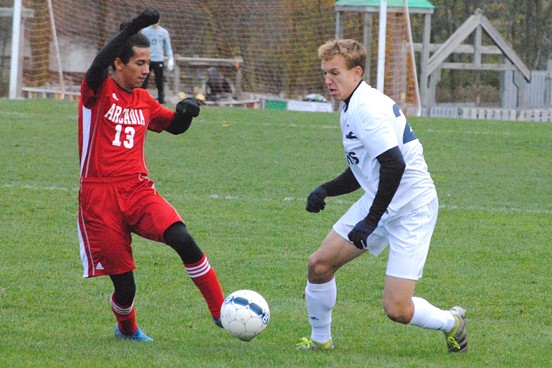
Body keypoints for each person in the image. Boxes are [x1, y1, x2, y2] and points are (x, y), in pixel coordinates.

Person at [296, 39, 468, 353]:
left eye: (334, 72)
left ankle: (452, 322)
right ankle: (321, 341)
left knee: (397, 309)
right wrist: (325, 189)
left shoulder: (366, 109)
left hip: (412, 207)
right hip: (384, 197)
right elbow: (364, 169)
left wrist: (371, 220)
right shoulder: (352, 103)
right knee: (319, 265)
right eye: (325, 73)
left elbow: (393, 164)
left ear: (356, 71)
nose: (328, 80)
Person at [77, 8, 224, 342]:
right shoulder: (97, 92)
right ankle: (127, 329)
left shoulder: (143, 101)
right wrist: (133, 27)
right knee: (126, 287)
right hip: (100, 198)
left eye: (148, 63)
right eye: (139, 63)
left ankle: (220, 311)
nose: (147, 70)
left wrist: (187, 114)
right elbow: (96, 64)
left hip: (138, 190)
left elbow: (173, 127)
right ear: (119, 62)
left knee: (182, 238)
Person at [141, 18, 174, 104]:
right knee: (143, 81)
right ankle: (140, 99)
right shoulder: (144, 31)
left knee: (159, 82)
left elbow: (168, 47)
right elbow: (140, 45)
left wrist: (171, 59)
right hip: (147, 60)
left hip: (159, 60)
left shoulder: (164, 32)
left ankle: (161, 101)